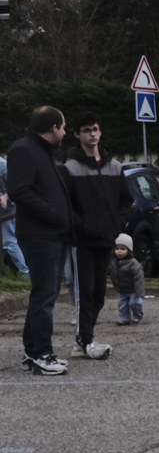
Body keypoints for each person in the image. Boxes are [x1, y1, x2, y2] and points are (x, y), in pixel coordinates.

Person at [7, 106, 72, 375]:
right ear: (54, 127)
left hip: (54, 234)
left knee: (47, 294)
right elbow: (19, 191)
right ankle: (42, 355)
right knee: (44, 296)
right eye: (64, 127)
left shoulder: (44, 151)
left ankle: (33, 351)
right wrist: (53, 214)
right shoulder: (24, 149)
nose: (65, 132)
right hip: (39, 235)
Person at [63, 112, 132, 360]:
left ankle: (84, 338)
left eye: (95, 129)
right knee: (85, 293)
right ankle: (85, 340)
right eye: (86, 130)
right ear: (77, 134)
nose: (92, 134)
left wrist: (115, 224)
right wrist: (82, 225)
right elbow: (66, 205)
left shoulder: (115, 166)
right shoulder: (70, 168)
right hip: (82, 241)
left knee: (99, 295)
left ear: (100, 131)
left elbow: (126, 200)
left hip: (106, 238)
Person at [0, 156, 31, 278]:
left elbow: (15, 186)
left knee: (10, 242)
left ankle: (25, 271)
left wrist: (6, 196)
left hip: (8, 211)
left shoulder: (3, 165)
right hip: (5, 211)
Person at [108, 233, 146, 324]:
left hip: (133, 290)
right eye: (117, 249)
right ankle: (125, 318)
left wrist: (139, 292)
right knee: (122, 305)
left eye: (122, 249)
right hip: (122, 289)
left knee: (135, 303)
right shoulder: (113, 262)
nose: (119, 251)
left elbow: (139, 279)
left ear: (129, 250)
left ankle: (138, 315)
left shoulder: (133, 264)